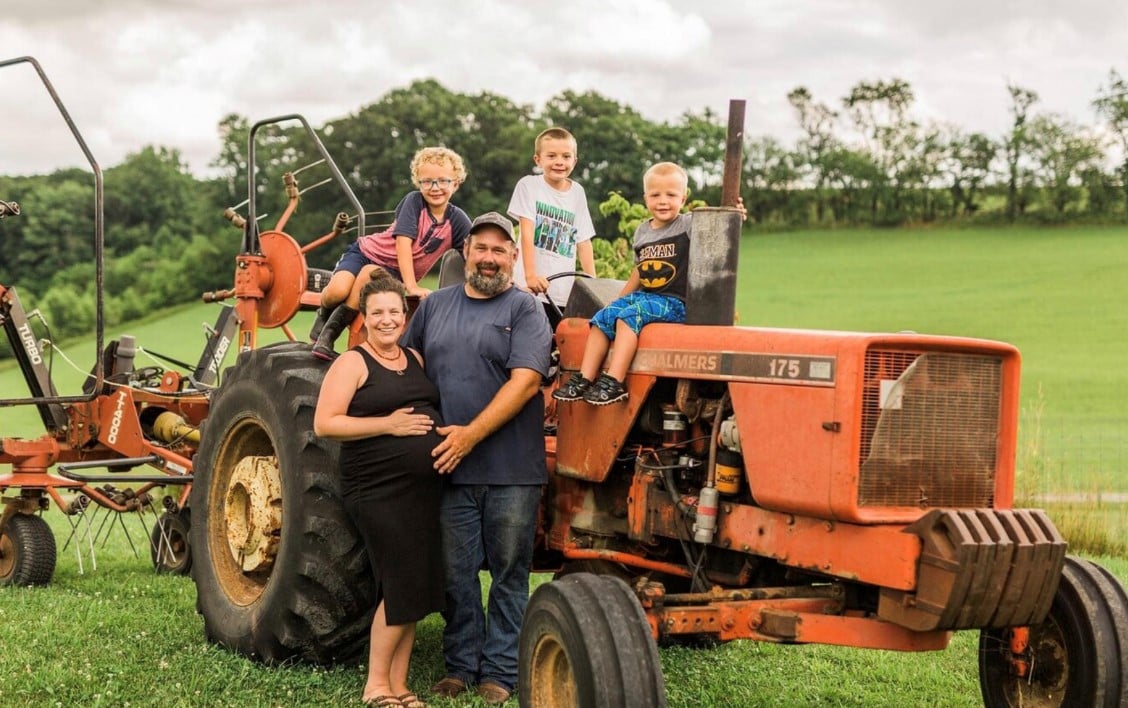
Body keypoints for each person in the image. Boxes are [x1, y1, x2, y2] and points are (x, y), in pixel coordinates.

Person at [400, 211, 552, 705]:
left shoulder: (526, 310)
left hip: (512, 469)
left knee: (510, 572)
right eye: (480, 248)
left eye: (499, 250)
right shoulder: (433, 307)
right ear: (465, 253)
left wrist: (470, 435)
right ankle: (460, 665)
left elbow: (526, 381)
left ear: (513, 257)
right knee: (456, 573)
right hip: (449, 466)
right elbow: (411, 365)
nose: (489, 258)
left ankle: (501, 672)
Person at [313, 273, 445, 708]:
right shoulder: (352, 363)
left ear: (404, 316)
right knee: (402, 583)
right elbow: (326, 423)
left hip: (421, 493)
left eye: (394, 312)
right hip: (376, 490)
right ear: (364, 320)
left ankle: (400, 686)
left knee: (412, 588)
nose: (387, 320)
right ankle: (375, 686)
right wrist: (388, 425)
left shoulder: (414, 358)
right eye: (377, 313)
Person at [553, 161, 744, 405]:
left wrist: (735, 214)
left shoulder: (687, 225)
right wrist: (618, 299)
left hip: (676, 302)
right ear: (646, 199)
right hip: (648, 296)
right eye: (655, 195)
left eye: (671, 195)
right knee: (604, 316)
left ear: (683, 199)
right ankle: (585, 378)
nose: (663, 201)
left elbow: (718, 228)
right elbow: (640, 270)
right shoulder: (642, 232)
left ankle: (614, 381)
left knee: (630, 316)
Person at [312, 146, 472, 360]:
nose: (435, 188)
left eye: (443, 181)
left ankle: (328, 336)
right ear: (418, 182)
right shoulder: (414, 202)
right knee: (337, 291)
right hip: (365, 252)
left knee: (369, 274)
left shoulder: (457, 220)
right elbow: (403, 244)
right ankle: (323, 312)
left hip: (393, 272)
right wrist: (412, 285)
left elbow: (473, 253)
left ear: (456, 182)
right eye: (427, 181)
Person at [507, 127, 597, 320]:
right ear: (538, 160)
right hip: (529, 289)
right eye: (552, 156)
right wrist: (531, 276)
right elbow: (528, 233)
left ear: (575, 160)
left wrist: (594, 284)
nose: (559, 162)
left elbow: (583, 241)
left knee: (560, 344)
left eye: (566, 156)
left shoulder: (578, 193)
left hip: (562, 293)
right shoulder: (529, 185)